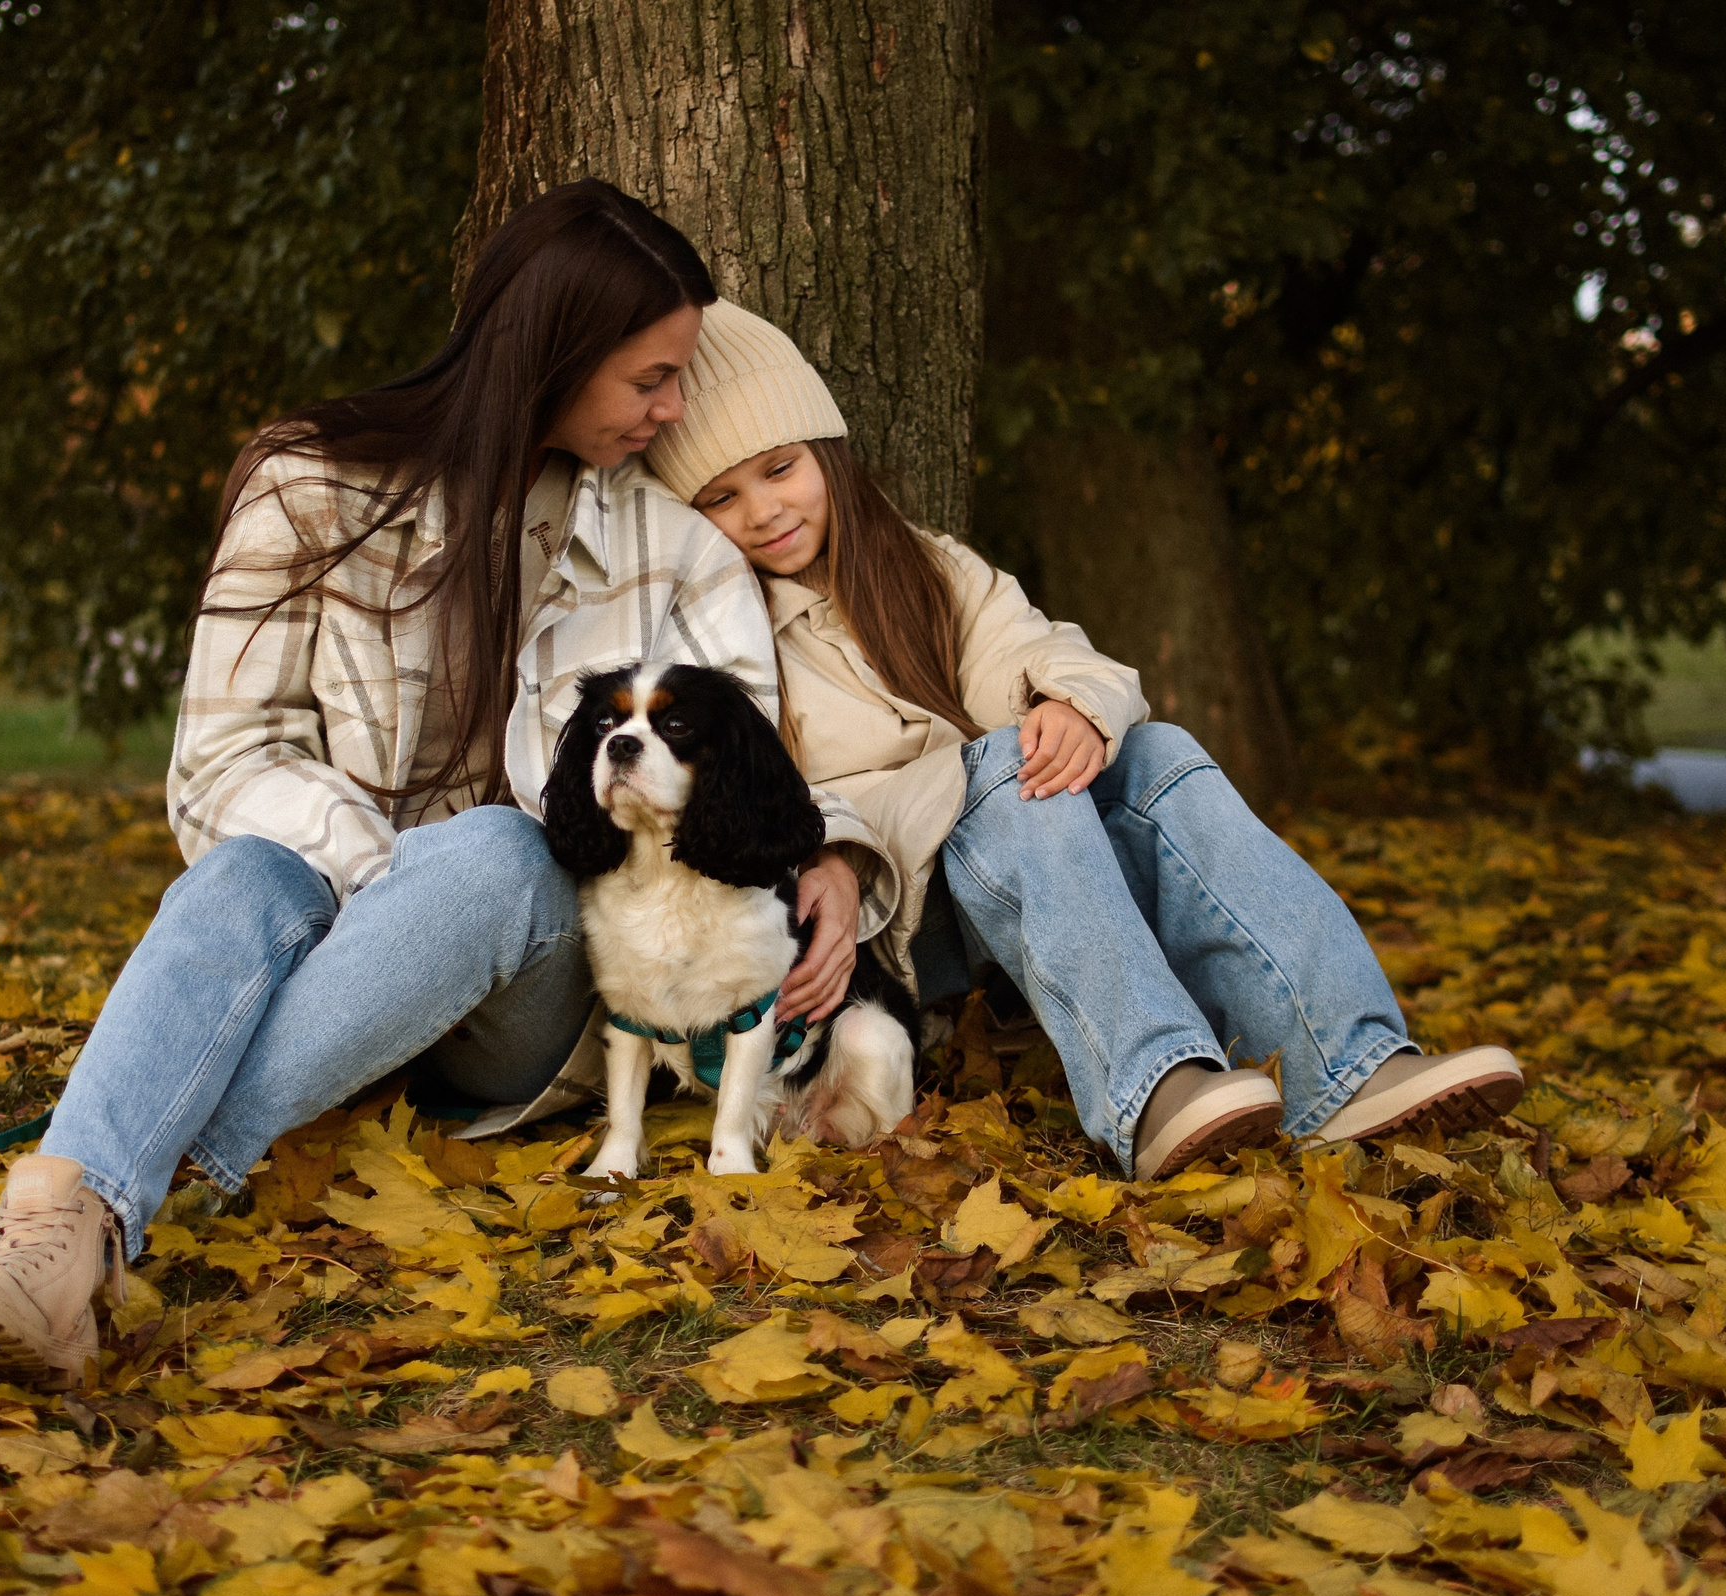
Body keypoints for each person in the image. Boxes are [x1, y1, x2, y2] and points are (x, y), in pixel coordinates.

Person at [0, 188, 888, 1385]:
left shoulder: (671, 548)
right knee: (247, 866)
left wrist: (827, 852)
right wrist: (379, 887)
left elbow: (732, 784)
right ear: (554, 355)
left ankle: (127, 1169)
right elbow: (220, 764)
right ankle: (55, 1247)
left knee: (489, 856)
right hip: (329, 957)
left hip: (534, 997)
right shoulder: (306, 484)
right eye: (650, 381)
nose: (675, 412)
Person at [643, 301, 1523, 1183]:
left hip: (1035, 873)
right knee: (997, 773)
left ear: (824, 451)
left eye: (779, 469)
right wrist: (896, 814)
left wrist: (1069, 699)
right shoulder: (725, 641)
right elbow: (763, 808)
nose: (761, 510)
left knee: (1153, 753)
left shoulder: (923, 566)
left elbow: (1032, 646)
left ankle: (1351, 1064)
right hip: (887, 936)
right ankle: (1155, 1085)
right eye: (720, 497)